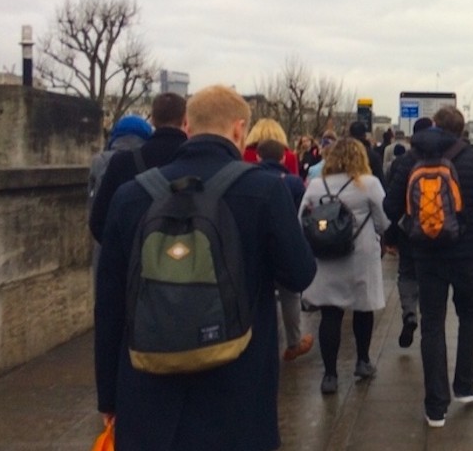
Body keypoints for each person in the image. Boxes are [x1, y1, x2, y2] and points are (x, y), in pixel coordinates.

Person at [94, 84, 317, 451]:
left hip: (149, 391)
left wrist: (109, 395)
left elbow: (109, 304)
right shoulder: (264, 191)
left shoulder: (131, 195)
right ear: (238, 129)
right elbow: (300, 273)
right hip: (237, 394)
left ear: (187, 126)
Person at [383, 106, 473, 428]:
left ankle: (435, 407)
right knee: (468, 316)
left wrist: (410, 231)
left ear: (436, 127)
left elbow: (389, 205)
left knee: (433, 325)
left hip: (427, 255)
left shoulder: (412, 158)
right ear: (462, 128)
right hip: (465, 255)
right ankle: (465, 385)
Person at [301, 138, 390, 394]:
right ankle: (362, 361)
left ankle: (330, 375)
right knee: (363, 309)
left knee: (330, 314)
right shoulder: (369, 184)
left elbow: (300, 218)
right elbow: (384, 221)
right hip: (360, 255)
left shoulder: (316, 185)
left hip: (326, 256)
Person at [89, 94, 187, 244]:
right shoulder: (198, 160)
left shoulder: (121, 163)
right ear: (185, 120)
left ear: (153, 120)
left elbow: (98, 222)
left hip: (136, 259)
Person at [257, 139, 315, 362]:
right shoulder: (293, 182)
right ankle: (293, 342)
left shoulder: (248, 179)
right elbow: (303, 215)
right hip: (285, 243)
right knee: (289, 293)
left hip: (256, 245)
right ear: (283, 158)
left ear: (259, 157)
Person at [383, 116, 434, 350]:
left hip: (408, 228)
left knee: (406, 273)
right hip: (435, 230)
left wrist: (396, 226)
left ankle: (409, 313)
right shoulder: (440, 160)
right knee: (431, 274)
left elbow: (391, 202)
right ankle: (429, 318)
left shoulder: (403, 162)